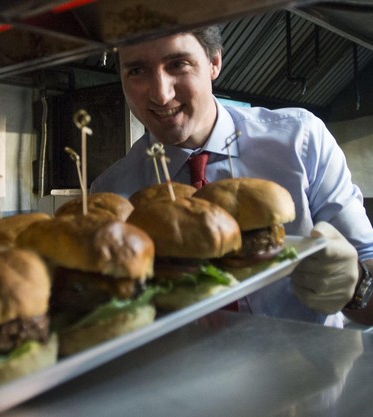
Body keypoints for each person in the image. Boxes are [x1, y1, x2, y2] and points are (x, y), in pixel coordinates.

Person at [90, 25, 373, 327]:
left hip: (312, 368)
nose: (161, 94)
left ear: (214, 63)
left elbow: (368, 280)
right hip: (184, 370)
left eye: (177, 64)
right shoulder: (111, 193)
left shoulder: (301, 140)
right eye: (136, 70)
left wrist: (358, 285)